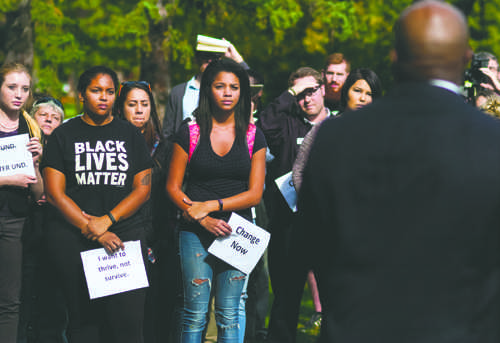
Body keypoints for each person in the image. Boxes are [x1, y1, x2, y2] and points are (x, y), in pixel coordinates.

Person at [296, 1, 500, 342]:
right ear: (466, 59)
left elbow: (312, 240)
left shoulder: (337, 137)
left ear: (393, 57)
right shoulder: (492, 142)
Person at [41, 66, 152, 343]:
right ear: (81, 95)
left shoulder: (130, 135)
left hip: (123, 237)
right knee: (84, 322)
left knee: (127, 322)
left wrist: (108, 220)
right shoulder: (63, 136)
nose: (103, 97)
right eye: (96, 90)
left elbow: (143, 189)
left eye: (110, 91)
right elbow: (55, 194)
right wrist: (94, 227)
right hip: (74, 236)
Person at [166, 58, 267, 342]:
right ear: (207, 89)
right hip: (195, 232)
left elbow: (254, 193)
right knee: (195, 313)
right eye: (220, 86)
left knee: (229, 313)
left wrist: (211, 206)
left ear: (243, 93)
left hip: (238, 232)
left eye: (234, 87)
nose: (227, 92)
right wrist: (203, 218)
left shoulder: (253, 134)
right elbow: (172, 187)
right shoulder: (190, 131)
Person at [289, 67, 382, 334]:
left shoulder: (383, 135)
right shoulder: (325, 130)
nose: (363, 98)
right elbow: (299, 172)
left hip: (369, 236)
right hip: (330, 233)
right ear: (345, 93)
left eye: (370, 93)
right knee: (335, 309)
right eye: (358, 91)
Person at [257, 67, 330, 343]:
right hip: (289, 226)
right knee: (285, 299)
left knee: (333, 299)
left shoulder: (338, 125)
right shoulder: (286, 125)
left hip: (327, 227)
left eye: (311, 90)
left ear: (323, 88)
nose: (306, 99)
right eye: (299, 95)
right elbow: (263, 124)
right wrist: (288, 95)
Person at [115, 80, 177, 343]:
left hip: (159, 240)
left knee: (157, 310)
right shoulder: (111, 145)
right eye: (132, 104)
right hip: (120, 237)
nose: (139, 110)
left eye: (144, 104)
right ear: (121, 108)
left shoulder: (166, 147)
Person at [18, 96, 67, 343]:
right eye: (43, 115)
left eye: (55, 116)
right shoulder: (20, 143)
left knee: (53, 295)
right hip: (25, 228)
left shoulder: (64, 148)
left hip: (55, 228)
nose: (49, 119)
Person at [0, 63, 43, 342]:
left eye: (25, 89)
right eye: (11, 87)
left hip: (14, 220)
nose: (19, 94)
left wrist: (36, 165)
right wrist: (6, 180)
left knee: (9, 300)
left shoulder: (31, 127)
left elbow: (39, 194)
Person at [163, 40, 250, 141]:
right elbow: (167, 133)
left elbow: (253, 85)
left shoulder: (228, 91)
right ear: (197, 59)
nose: (210, 61)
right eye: (206, 56)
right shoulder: (178, 92)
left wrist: (237, 59)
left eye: (215, 57)